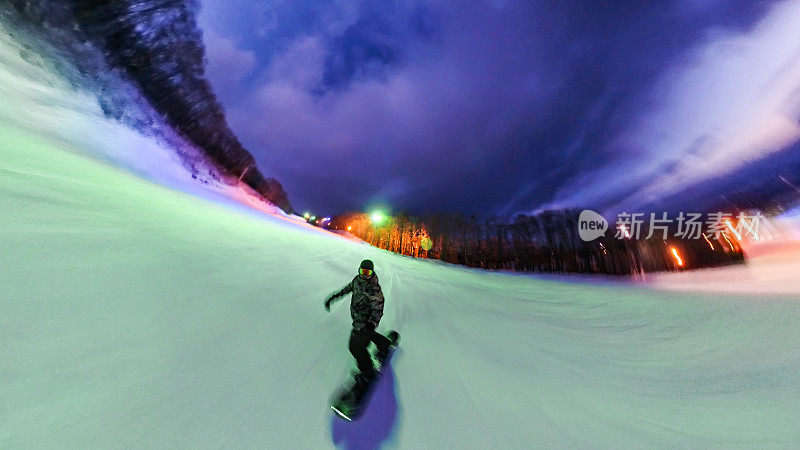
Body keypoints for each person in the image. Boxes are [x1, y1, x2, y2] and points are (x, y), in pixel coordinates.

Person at [325, 259, 392, 380]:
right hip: (357, 318)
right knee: (367, 336)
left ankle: (367, 371)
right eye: (363, 271)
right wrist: (334, 297)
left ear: (372, 272)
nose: (365, 275)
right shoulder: (357, 280)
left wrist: (371, 323)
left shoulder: (374, 288)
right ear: (359, 270)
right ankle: (384, 344)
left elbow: (378, 309)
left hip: (365, 321)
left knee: (355, 346)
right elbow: (348, 288)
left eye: (368, 272)